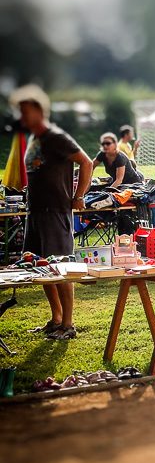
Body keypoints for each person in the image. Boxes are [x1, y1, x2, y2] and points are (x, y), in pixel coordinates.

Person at [12, 85, 93, 340]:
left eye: (25, 111)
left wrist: (78, 196)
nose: (22, 117)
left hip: (56, 211)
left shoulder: (56, 137)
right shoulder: (35, 140)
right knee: (43, 266)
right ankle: (56, 319)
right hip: (35, 212)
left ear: (38, 110)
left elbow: (87, 162)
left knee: (62, 268)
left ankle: (68, 324)